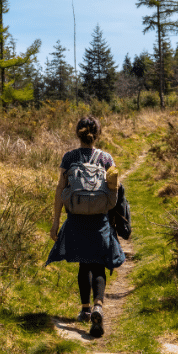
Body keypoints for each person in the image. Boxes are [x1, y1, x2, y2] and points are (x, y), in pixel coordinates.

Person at [46, 115, 125, 338]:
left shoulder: (69, 157)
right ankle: (99, 306)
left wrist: (55, 222)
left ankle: (85, 309)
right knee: (98, 266)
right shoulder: (107, 158)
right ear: (97, 134)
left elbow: (60, 191)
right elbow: (114, 192)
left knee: (84, 264)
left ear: (78, 134)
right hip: (100, 220)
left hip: (76, 218)